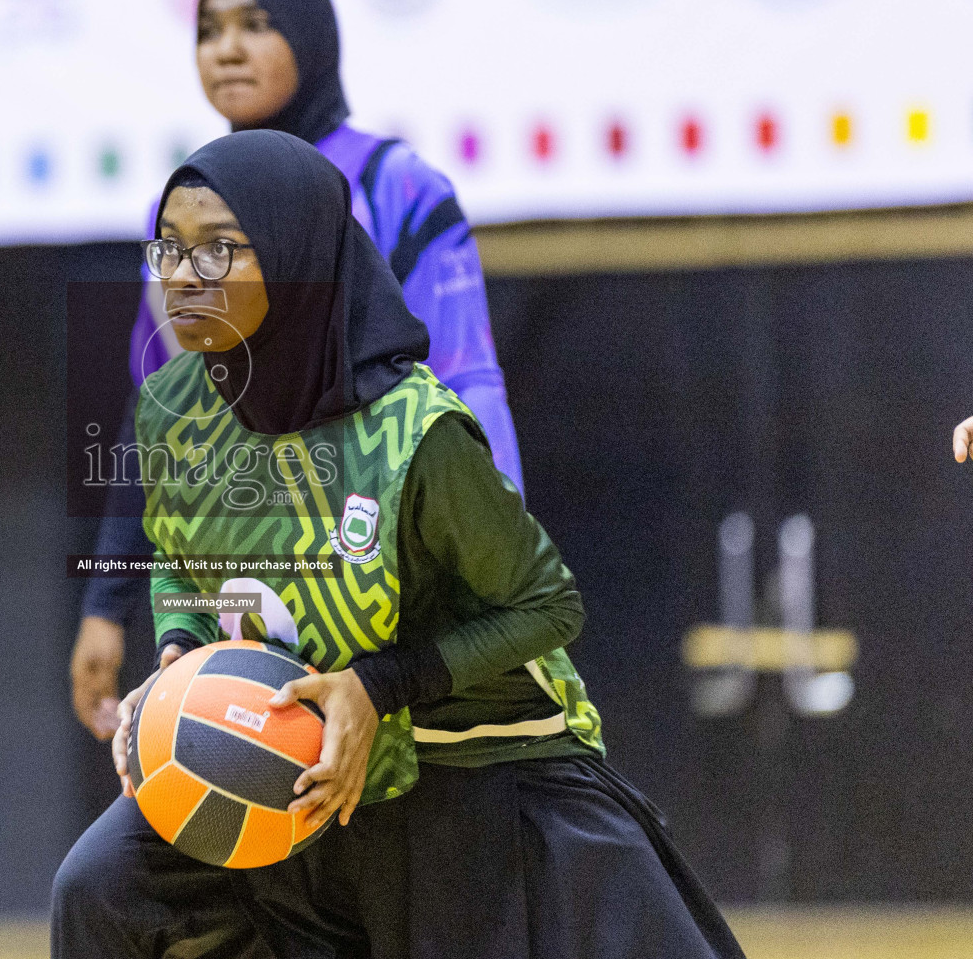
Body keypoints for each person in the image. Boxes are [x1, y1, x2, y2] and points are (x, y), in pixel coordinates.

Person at [51, 130, 746, 959]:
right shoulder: (169, 407)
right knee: (96, 888)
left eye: (218, 251)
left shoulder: (416, 432)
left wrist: (379, 686)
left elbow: (550, 605)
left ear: (297, 259)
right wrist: (179, 658)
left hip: (465, 759)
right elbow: (179, 558)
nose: (181, 277)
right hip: (283, 749)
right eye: (168, 249)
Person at [71, 0, 522, 743]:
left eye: (257, 24)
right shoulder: (180, 209)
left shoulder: (398, 185)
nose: (227, 49)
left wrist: (495, 569)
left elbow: (468, 379)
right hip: (239, 567)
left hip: (384, 561)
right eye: (209, 29)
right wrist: (108, 601)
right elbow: (158, 413)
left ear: (313, 40)